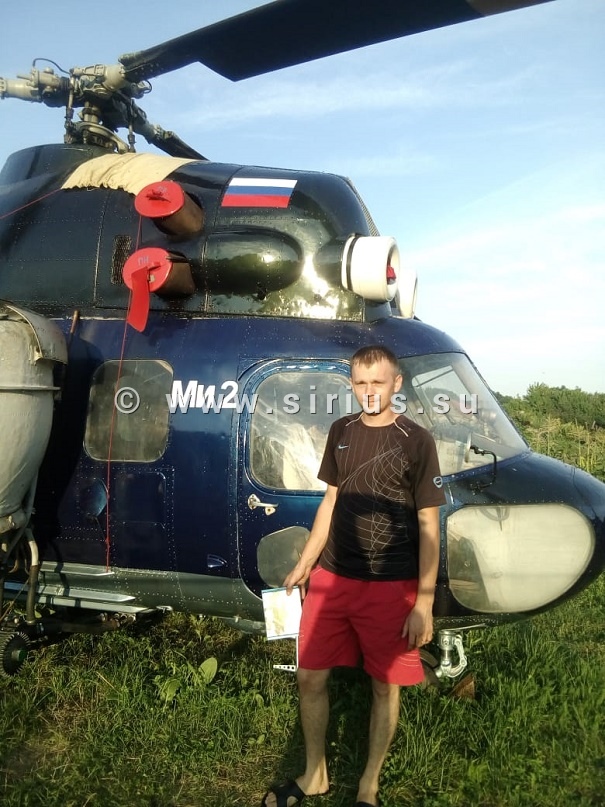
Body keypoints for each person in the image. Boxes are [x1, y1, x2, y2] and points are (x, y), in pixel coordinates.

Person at [261, 345, 446, 807]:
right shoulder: (341, 430)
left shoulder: (417, 440)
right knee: (310, 678)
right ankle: (315, 774)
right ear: (351, 385)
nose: (369, 392)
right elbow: (331, 501)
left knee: (384, 685)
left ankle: (369, 786)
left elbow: (429, 525)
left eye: (378, 382)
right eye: (361, 383)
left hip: (390, 584)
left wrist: (424, 603)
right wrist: (306, 562)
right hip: (332, 577)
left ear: (396, 384)